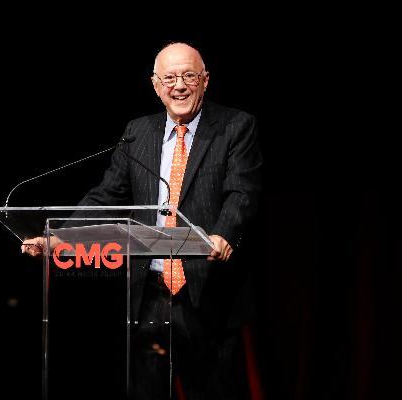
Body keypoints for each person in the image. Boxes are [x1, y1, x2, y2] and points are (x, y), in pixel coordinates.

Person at [22, 42, 262, 399]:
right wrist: (59, 237)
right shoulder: (138, 132)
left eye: (188, 76)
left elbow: (241, 192)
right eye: (169, 78)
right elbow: (106, 196)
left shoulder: (235, 125)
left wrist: (223, 235)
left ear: (205, 80)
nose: (179, 86)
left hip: (209, 292)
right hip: (148, 294)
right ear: (155, 85)